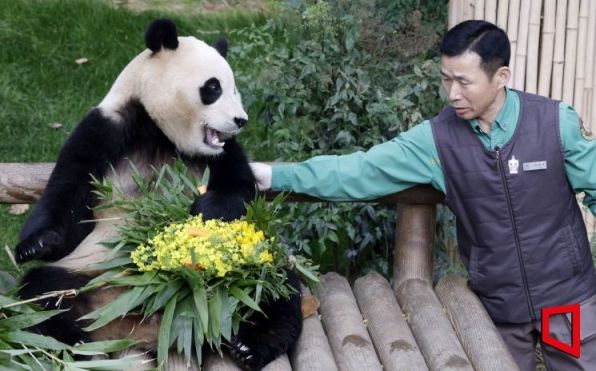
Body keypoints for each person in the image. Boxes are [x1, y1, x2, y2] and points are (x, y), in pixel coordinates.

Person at [249, 20, 596, 370]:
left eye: (464, 81)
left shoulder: (554, 123)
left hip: (565, 304)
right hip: (500, 309)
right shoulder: (437, 140)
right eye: (446, 78)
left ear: (501, 76)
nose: (453, 93)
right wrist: (276, 175)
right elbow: (358, 170)